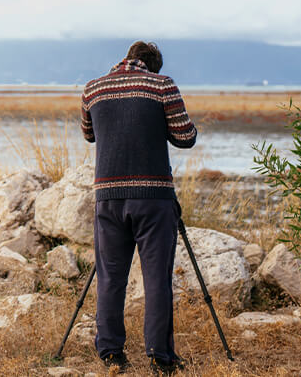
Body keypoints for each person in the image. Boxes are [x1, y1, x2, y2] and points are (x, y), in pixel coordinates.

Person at [81, 41, 197, 375]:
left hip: (108, 198)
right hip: (153, 198)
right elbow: (185, 136)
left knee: (110, 277)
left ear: (128, 59)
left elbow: (89, 134)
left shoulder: (92, 89)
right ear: (152, 65)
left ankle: (111, 352)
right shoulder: (163, 86)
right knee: (157, 278)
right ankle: (160, 356)